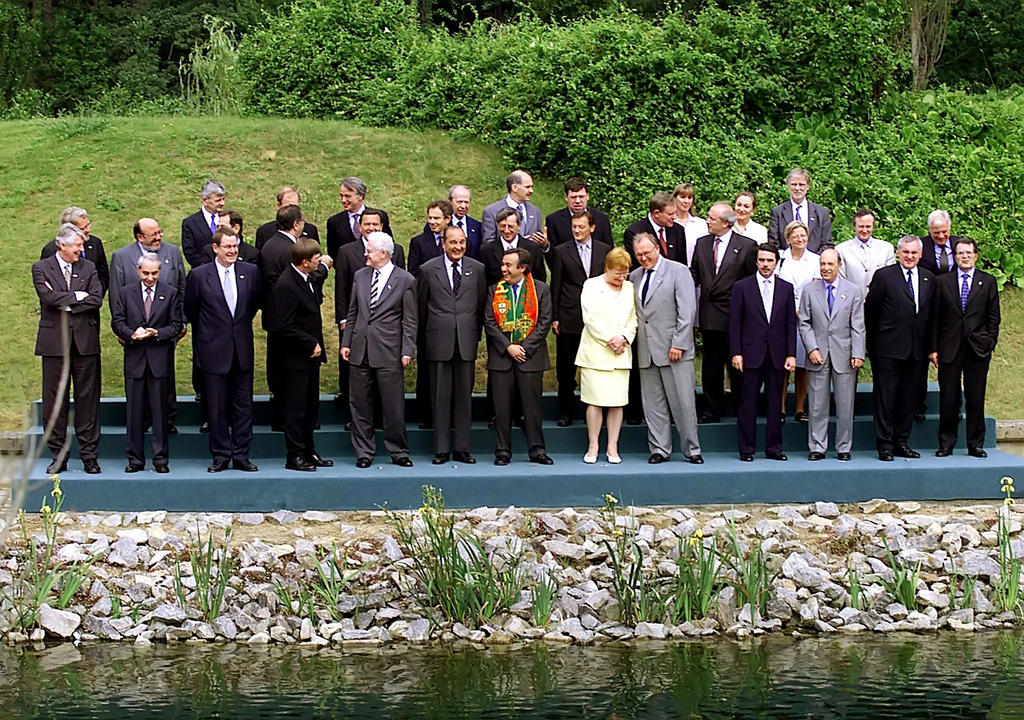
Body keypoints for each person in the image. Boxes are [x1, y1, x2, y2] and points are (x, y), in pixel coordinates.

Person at [184, 229, 262, 473]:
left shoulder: (250, 272)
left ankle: (241, 456)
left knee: (243, 407)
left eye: (235, 246)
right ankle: (220, 455)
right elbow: (192, 310)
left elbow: (252, 306)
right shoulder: (198, 275)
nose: (232, 251)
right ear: (215, 248)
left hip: (241, 350)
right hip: (213, 351)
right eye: (227, 246)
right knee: (216, 408)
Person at [341, 232, 417, 468]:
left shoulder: (405, 280)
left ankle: (399, 451)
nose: (365, 254)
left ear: (383, 253)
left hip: (389, 349)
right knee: (359, 403)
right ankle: (363, 451)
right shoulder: (360, 276)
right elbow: (353, 312)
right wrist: (346, 342)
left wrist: (407, 349)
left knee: (393, 404)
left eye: (369, 250)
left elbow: (410, 319)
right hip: (360, 347)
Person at [32, 224, 104, 475]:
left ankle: (89, 456)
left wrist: (66, 299)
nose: (81, 250)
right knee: (55, 403)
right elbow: (48, 298)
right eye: (77, 246)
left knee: (89, 401)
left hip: (85, 343)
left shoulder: (89, 267)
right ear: (62, 245)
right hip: (54, 345)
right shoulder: (41, 268)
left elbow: (96, 299)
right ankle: (58, 456)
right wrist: (77, 297)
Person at [110, 218, 189, 433]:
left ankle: (166, 420)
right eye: (153, 233)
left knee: (164, 375)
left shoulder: (172, 252)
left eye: (160, 231)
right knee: (138, 378)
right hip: (133, 332)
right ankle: (141, 421)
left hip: (165, 329)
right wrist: (123, 331)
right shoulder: (121, 256)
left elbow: (181, 286)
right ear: (139, 236)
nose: (159, 236)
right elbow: (116, 293)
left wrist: (181, 321)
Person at [417, 225, 487, 464]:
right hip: (438, 341)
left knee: (463, 398)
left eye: (462, 242)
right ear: (443, 244)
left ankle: (462, 448)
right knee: (440, 397)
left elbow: (479, 307)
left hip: (466, 341)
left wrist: (474, 335)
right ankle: (441, 449)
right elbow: (421, 307)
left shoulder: (477, 269)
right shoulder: (427, 269)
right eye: (453, 242)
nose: (458, 247)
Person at [630, 234, 703, 464]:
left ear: (657, 248)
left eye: (647, 253)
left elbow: (687, 310)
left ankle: (692, 449)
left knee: (683, 403)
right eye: (639, 255)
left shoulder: (678, 271)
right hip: (646, 350)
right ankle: (659, 449)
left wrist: (679, 343)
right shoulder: (634, 277)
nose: (643, 258)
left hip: (674, 350)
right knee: (653, 405)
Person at [259, 204, 331, 430]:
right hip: (295, 328)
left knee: (283, 380)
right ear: (296, 224)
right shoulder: (289, 253)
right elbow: (300, 283)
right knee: (297, 389)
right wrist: (325, 269)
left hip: (278, 321)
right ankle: (296, 434)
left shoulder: (270, 245)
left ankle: (285, 423)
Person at [865, 235, 935, 461]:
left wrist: (931, 347)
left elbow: (931, 316)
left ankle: (901, 441)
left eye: (914, 253)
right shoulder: (884, 276)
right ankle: (884, 444)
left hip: (916, 350)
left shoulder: (928, 278)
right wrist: (873, 346)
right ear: (898, 253)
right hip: (887, 349)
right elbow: (871, 312)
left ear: (920, 254)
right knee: (886, 398)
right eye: (906, 252)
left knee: (909, 398)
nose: (910, 256)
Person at [111, 253, 183, 473]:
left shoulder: (170, 293)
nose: (150, 277)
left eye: (154, 273)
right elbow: (117, 321)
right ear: (138, 271)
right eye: (146, 273)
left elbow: (176, 324)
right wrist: (132, 334)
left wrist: (157, 333)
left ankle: (160, 459)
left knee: (160, 413)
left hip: (159, 360)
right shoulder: (126, 293)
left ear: (160, 272)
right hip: (135, 359)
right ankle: (135, 459)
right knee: (134, 413)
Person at [930, 238, 1000, 458]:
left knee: (976, 398)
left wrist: (989, 343)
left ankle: (975, 444)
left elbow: (993, 317)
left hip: (977, 349)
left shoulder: (987, 281)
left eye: (968, 253)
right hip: (949, 347)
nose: (965, 256)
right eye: (960, 253)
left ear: (976, 255)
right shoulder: (942, 282)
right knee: (948, 398)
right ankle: (946, 443)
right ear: (955, 256)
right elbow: (934, 318)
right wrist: (933, 348)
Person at [689, 202, 758, 423]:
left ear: (726, 223)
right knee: (711, 367)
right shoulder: (701, 244)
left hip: (735, 315)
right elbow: (694, 274)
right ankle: (711, 409)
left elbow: (751, 283)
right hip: (710, 315)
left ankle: (741, 408)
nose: (707, 221)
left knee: (738, 365)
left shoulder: (747, 246)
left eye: (712, 218)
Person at [484, 247, 554, 466]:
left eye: (508, 265)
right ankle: (502, 451)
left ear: (522, 268)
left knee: (532, 408)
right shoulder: (494, 290)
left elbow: (544, 322)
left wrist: (524, 346)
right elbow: (489, 322)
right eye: (502, 264)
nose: (503, 269)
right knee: (502, 408)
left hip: (530, 356)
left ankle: (537, 449)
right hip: (502, 357)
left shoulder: (540, 290)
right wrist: (508, 347)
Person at [730, 243, 797, 461]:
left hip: (777, 354)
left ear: (776, 262)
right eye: (762, 260)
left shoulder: (786, 288)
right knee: (747, 403)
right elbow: (735, 323)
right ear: (756, 261)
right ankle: (747, 449)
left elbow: (790, 324)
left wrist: (791, 354)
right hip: (750, 353)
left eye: (770, 260)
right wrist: (736, 352)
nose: (766, 264)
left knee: (775, 404)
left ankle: (774, 448)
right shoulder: (742, 287)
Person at [334, 209, 406, 410]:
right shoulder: (346, 251)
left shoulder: (396, 250)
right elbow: (341, 289)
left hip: (386, 332)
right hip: (357, 323)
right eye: (367, 224)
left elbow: (401, 286)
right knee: (356, 378)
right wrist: (342, 319)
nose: (371, 228)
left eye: (375, 224)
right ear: (359, 226)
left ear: (382, 226)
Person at [798, 249, 865, 461]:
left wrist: (858, 352)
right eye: (823, 264)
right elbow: (804, 322)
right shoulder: (809, 289)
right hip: (817, 354)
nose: (826, 268)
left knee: (845, 404)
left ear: (839, 265)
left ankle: (844, 447)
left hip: (844, 354)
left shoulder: (853, 291)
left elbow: (858, 325)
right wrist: (812, 348)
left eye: (830, 264)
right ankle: (817, 446)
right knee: (817, 404)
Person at [275, 238, 333, 471]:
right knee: (296, 409)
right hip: (295, 359)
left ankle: (309, 451)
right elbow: (284, 326)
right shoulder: (286, 285)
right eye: (316, 259)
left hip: (310, 358)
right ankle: (295, 455)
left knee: (310, 409)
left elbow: (319, 276)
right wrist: (310, 343)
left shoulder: (306, 277)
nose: (319, 262)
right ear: (305, 261)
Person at [549, 211, 611, 426]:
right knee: (566, 368)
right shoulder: (561, 251)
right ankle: (565, 412)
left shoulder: (605, 251)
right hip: (569, 316)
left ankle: (594, 412)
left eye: (581, 227)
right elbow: (555, 285)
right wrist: (555, 317)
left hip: (598, 318)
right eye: (574, 227)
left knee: (595, 367)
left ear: (591, 228)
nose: (576, 230)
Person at [576, 248, 637, 464]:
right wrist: (609, 340)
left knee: (616, 401)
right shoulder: (591, 285)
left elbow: (634, 318)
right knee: (594, 401)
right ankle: (593, 444)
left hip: (621, 352)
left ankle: (613, 445)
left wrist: (624, 338)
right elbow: (589, 317)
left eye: (625, 273)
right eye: (617, 273)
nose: (621, 278)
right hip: (595, 352)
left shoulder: (630, 288)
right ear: (607, 269)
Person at [408, 199, 454, 428]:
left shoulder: (458, 240)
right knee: (427, 364)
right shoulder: (418, 242)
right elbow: (413, 276)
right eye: (430, 218)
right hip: (427, 311)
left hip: (452, 312)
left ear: (448, 219)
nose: (433, 222)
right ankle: (425, 413)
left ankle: (450, 414)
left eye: (437, 218)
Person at [776, 221, 821, 423]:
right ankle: (781, 407)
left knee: (803, 365)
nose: (800, 239)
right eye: (796, 236)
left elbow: (816, 286)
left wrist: (803, 308)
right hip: (782, 317)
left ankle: (800, 408)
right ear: (788, 239)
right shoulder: (781, 259)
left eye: (803, 235)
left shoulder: (815, 260)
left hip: (807, 317)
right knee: (783, 363)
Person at [41, 207, 109, 294]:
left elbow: (103, 275)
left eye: (88, 225)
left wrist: (95, 296)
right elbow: (45, 284)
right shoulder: (51, 250)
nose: (88, 230)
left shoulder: (95, 243)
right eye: (82, 228)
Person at [325, 177, 394, 260]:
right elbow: (333, 253)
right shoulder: (334, 222)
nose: (343, 200)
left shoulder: (379, 216)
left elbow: (389, 245)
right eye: (341, 196)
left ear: (360, 196)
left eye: (348, 196)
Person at [768, 168, 833, 252]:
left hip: (814, 262)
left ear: (808, 186)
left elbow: (827, 243)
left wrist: (813, 259)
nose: (797, 188)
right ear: (788, 186)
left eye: (801, 184)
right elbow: (773, 243)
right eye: (794, 184)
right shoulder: (778, 212)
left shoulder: (821, 213)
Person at [478, 207, 547, 284]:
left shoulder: (533, 249)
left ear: (519, 226)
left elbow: (540, 278)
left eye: (510, 226)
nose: (506, 231)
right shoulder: (486, 250)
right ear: (497, 225)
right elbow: (483, 281)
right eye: (503, 226)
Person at [481, 170, 546, 247]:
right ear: (514, 187)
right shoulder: (491, 211)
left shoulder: (535, 211)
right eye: (527, 187)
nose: (531, 191)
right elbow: (488, 244)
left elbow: (539, 243)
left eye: (531, 187)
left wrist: (544, 244)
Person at [836, 208, 895, 292]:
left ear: (873, 226)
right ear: (854, 226)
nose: (864, 230)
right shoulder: (841, 249)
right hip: (852, 300)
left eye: (868, 226)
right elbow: (841, 280)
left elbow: (890, 279)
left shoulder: (886, 248)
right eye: (861, 226)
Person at [623, 191, 686, 269]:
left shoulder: (678, 230)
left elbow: (682, 265)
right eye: (670, 214)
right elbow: (637, 266)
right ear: (657, 213)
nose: (675, 217)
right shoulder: (634, 232)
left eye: (675, 213)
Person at [545, 177, 613, 248]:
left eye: (581, 196)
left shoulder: (602, 219)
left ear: (587, 196)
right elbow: (552, 254)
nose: (577, 201)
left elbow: (609, 250)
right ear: (566, 197)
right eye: (573, 197)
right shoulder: (554, 221)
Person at [254, 186, 320, 250]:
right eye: (288, 206)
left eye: (295, 206)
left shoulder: (310, 230)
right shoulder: (264, 232)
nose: (292, 210)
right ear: (279, 206)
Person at [181, 180, 226, 267]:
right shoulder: (190, 223)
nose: (222, 203)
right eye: (218, 200)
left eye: (223, 199)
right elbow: (190, 253)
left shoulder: (227, 219)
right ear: (205, 200)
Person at [673, 183, 708, 263]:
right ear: (675, 198)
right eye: (682, 197)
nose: (686, 201)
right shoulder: (669, 223)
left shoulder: (701, 224)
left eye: (689, 198)